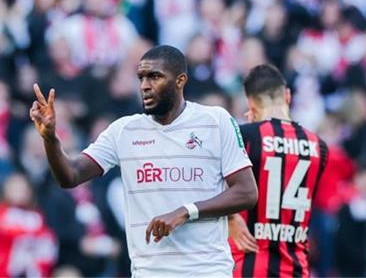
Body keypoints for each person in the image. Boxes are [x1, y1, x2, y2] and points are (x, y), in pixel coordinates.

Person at [30, 45, 257, 277]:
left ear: (180, 80)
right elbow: (70, 176)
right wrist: (50, 139)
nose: (145, 86)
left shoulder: (215, 121)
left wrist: (186, 211)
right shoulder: (124, 130)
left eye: (154, 77)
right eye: (141, 78)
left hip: (207, 270)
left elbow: (247, 192)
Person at [227, 63, 329, 277]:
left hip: (245, 265)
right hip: (296, 268)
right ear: (288, 95)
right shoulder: (319, 146)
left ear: (251, 103)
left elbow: (208, 184)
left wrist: (231, 218)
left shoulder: (244, 136)